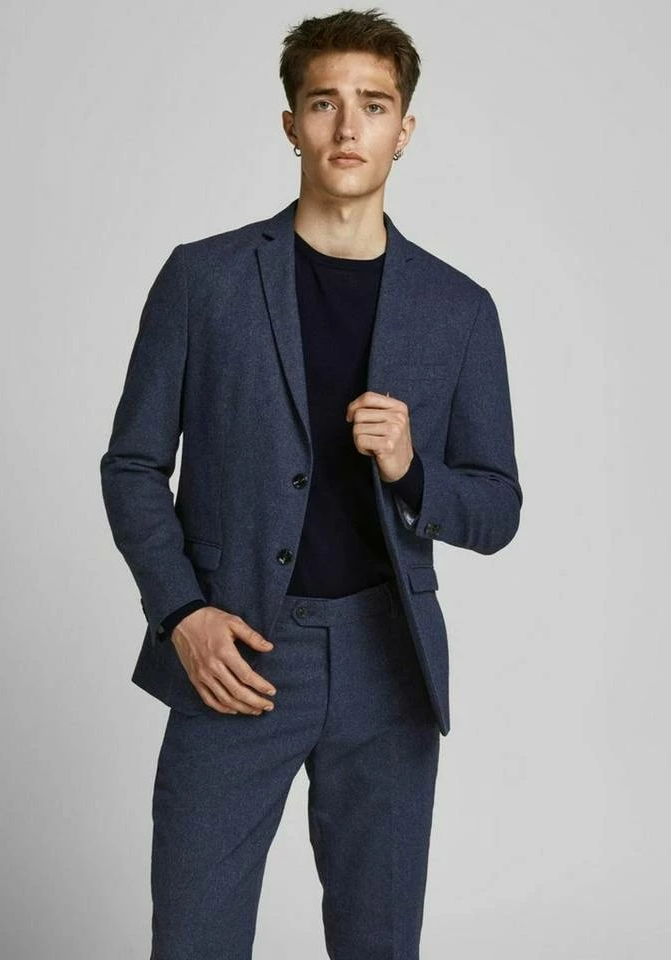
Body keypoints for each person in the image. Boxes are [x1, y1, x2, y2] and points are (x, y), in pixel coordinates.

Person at [99, 8, 522, 958]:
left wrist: (412, 470)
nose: (347, 126)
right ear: (291, 122)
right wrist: (182, 613)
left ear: (404, 129)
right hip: (236, 652)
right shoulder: (203, 280)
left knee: (379, 944)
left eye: (373, 104)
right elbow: (131, 465)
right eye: (324, 102)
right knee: (195, 940)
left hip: (387, 662)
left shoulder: (458, 309)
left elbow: (497, 507)